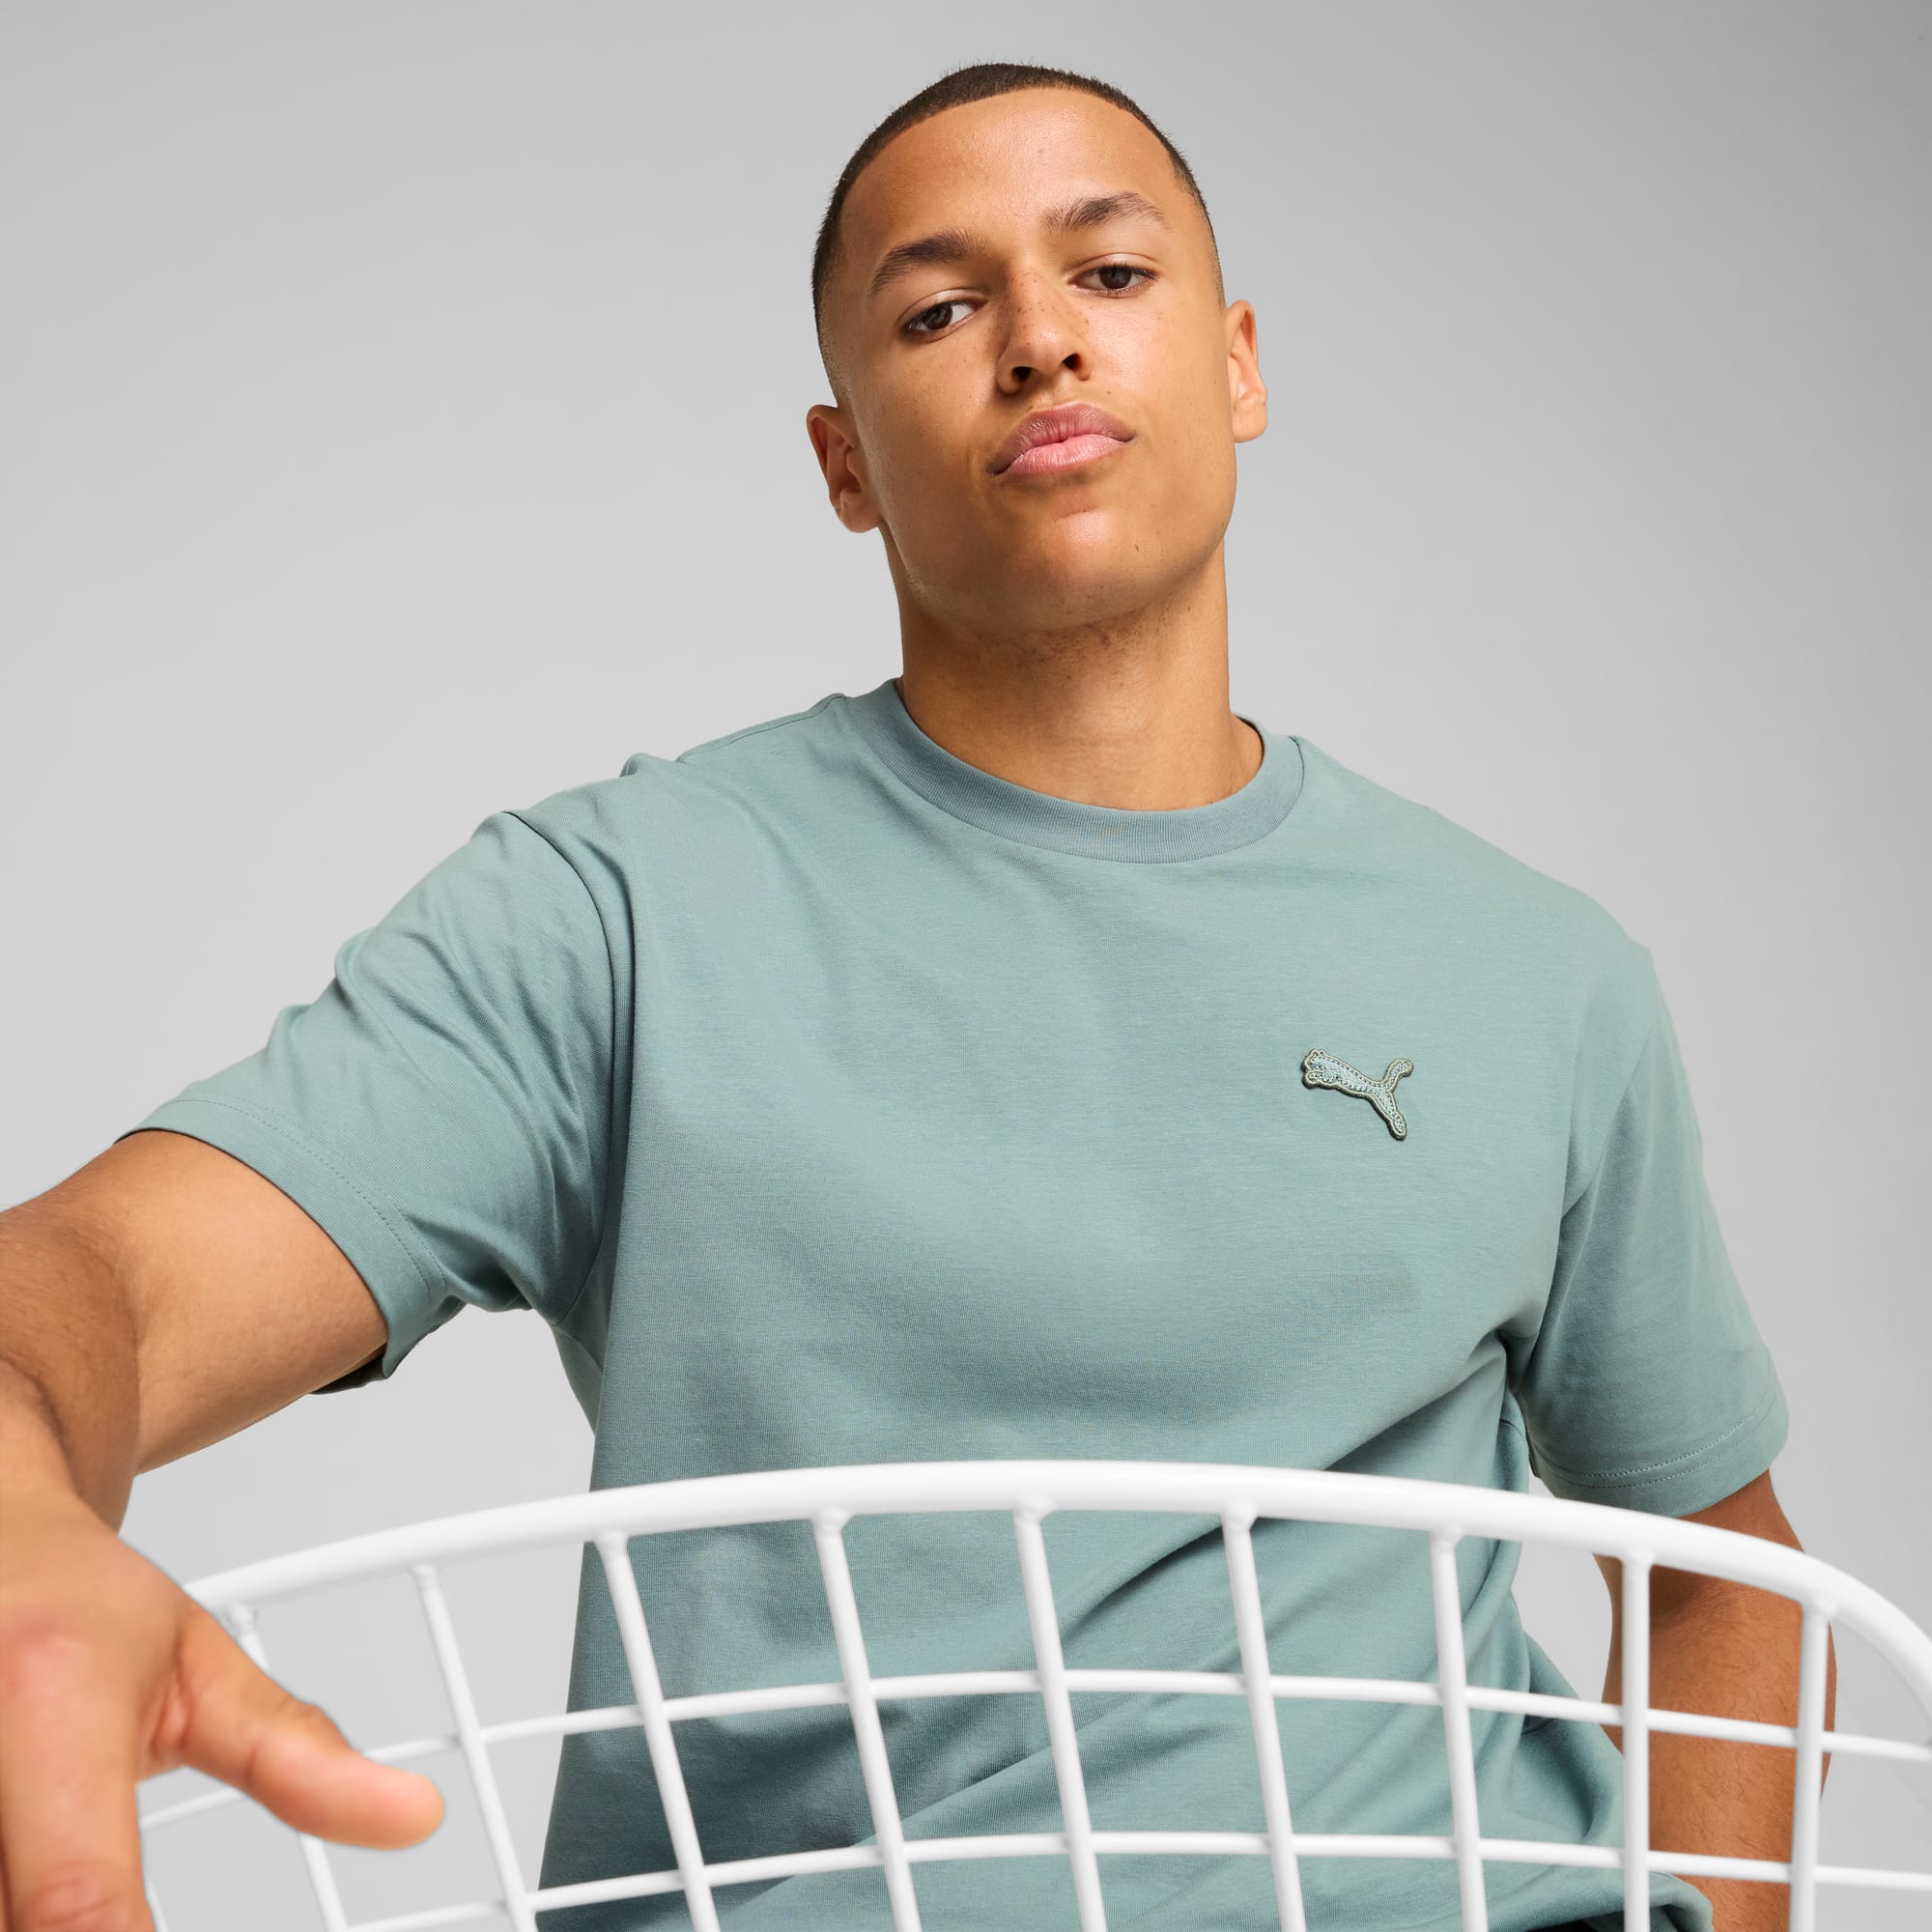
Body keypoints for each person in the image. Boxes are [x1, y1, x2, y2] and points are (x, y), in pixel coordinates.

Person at [0, 58, 1823, 1932]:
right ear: (843, 460)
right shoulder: (616, 916)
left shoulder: (1539, 971)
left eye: (1109, 274)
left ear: (1239, 362)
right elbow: (105, 1280)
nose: (1037, 338)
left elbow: (1720, 1567)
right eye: (939, 308)